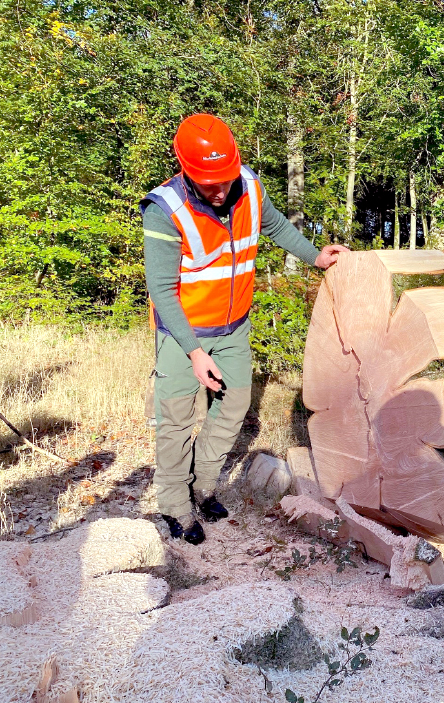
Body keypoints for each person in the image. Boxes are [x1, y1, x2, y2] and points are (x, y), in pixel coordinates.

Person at [141, 114, 347, 544]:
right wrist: (194, 353)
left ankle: (202, 486)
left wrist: (315, 256)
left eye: (225, 179)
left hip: (234, 327)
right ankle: (176, 507)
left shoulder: (250, 185)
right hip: (183, 333)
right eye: (208, 183)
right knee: (176, 423)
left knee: (233, 407)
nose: (219, 191)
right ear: (185, 171)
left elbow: (273, 226)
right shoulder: (164, 210)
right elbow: (161, 289)